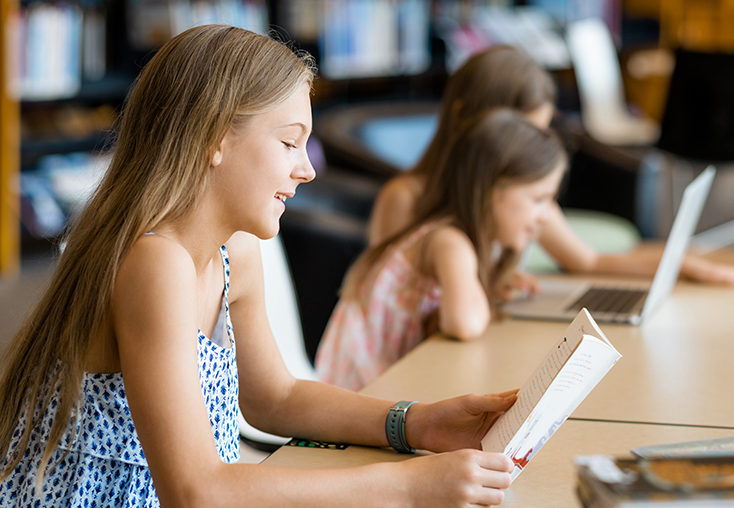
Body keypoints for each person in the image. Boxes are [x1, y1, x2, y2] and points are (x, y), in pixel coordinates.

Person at [0, 25, 519, 508]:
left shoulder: (234, 253)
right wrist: (408, 485)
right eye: (289, 142)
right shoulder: (155, 262)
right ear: (216, 138)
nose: (308, 168)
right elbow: (195, 491)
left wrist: (417, 423)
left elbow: (275, 396)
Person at [368, 45, 734, 291]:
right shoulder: (405, 198)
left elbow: (587, 260)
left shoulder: (522, 194)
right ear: (467, 117)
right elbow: (386, 305)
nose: (531, 150)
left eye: (539, 132)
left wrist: (685, 264)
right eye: (521, 131)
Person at [316, 108, 568, 391]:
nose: (546, 216)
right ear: (489, 192)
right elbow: (464, 324)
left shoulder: (468, 241)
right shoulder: (449, 242)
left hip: (394, 388)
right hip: (364, 398)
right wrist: (478, 292)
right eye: (538, 199)